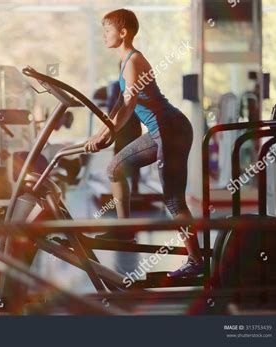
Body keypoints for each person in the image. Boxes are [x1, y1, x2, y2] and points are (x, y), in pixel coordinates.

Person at [84, 9, 203, 278]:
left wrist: (105, 136)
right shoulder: (126, 62)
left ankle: (196, 261)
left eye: (107, 30)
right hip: (159, 131)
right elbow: (117, 105)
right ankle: (125, 231)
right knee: (115, 169)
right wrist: (101, 132)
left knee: (173, 201)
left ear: (123, 32)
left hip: (172, 130)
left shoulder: (134, 59)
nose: (104, 35)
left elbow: (128, 105)